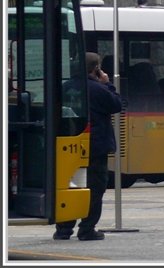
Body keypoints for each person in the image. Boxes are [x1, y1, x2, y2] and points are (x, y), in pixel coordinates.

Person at [54, 52, 122, 241]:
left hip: (70, 145)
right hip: (95, 147)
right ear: (97, 69)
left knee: (72, 186)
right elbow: (117, 104)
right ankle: (87, 228)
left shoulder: (65, 87)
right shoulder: (98, 89)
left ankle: (63, 229)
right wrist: (108, 83)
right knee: (95, 189)